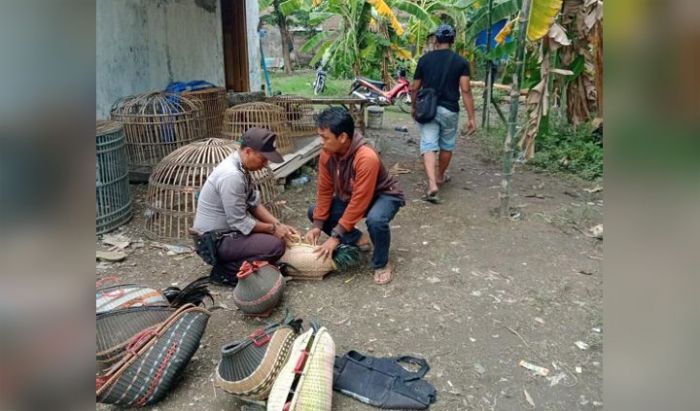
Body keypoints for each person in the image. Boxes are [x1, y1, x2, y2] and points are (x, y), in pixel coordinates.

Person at [304, 107, 405, 285]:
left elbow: (360, 201)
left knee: (376, 220)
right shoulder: (327, 155)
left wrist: (335, 237)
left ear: (342, 137)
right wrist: (318, 225)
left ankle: (382, 263)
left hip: (384, 195)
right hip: (354, 197)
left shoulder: (366, 157)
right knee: (315, 211)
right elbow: (325, 190)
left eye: (325, 137)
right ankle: (359, 239)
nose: (321, 142)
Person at [192, 127, 298, 285]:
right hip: (213, 242)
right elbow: (239, 222)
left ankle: (253, 265)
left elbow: (254, 204)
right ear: (248, 151)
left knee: (274, 238)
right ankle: (226, 271)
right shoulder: (232, 176)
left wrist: (278, 225)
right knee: (275, 246)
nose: (265, 163)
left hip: (226, 235)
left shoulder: (241, 167)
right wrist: (273, 229)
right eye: (263, 158)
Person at [410, 23, 477, 204]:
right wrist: (471, 117)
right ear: (452, 41)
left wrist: (414, 106)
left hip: (428, 110)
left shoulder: (425, 60)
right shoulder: (461, 62)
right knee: (446, 145)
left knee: (428, 145)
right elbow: (465, 89)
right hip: (450, 109)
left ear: (436, 40)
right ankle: (440, 175)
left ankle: (432, 184)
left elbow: (414, 87)